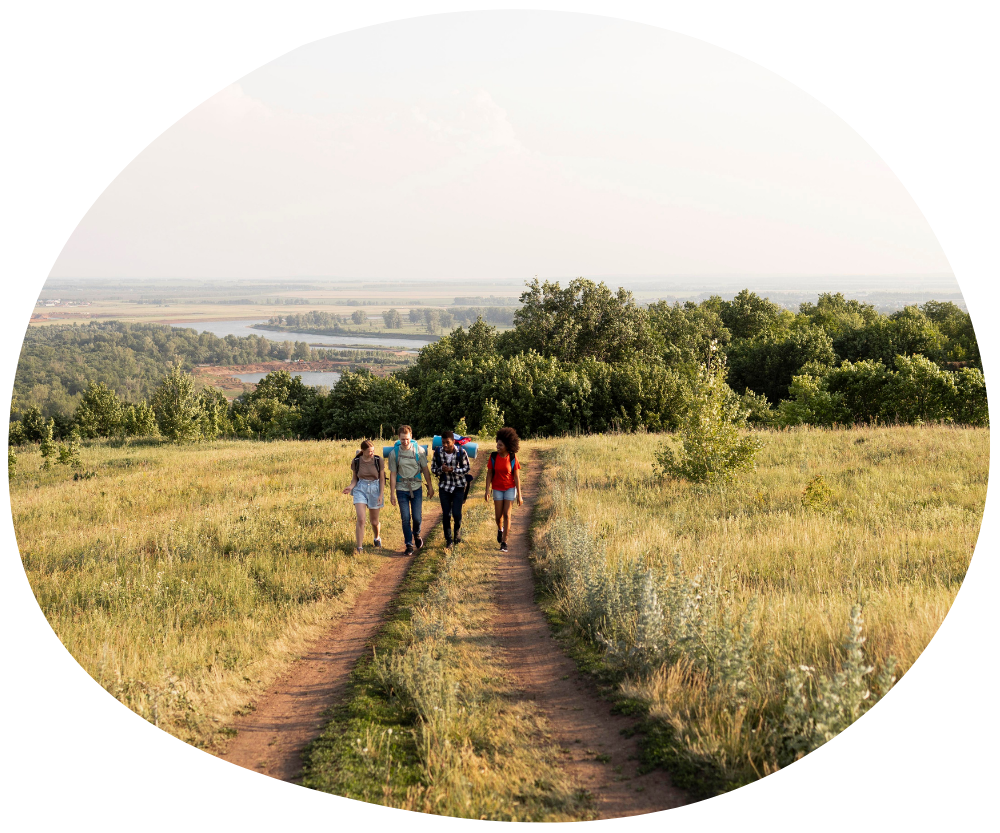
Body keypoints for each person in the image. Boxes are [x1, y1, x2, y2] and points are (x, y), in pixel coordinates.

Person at [387, 424, 434, 555]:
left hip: (417, 487)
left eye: (407, 439)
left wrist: (430, 487)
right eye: (402, 439)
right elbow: (392, 474)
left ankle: (417, 534)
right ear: (398, 438)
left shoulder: (419, 451)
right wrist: (392, 494)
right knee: (405, 518)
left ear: (411, 437)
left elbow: (425, 469)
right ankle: (408, 544)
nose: (405, 442)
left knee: (417, 518)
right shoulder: (394, 454)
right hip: (401, 489)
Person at [483, 426, 522, 553]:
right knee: (498, 517)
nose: (497, 447)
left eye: (500, 445)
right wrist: (487, 490)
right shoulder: (493, 457)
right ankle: (500, 530)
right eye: (497, 444)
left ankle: (504, 542)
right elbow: (489, 474)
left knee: (507, 515)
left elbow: (516, 477)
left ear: (507, 445)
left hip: (510, 488)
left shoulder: (512, 458)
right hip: (497, 488)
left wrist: (520, 495)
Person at [342, 439, 384, 554]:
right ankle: (359, 548)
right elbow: (355, 479)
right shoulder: (356, 461)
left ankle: (377, 537)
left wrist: (381, 494)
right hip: (360, 488)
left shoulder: (378, 460)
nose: (372, 453)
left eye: (373, 451)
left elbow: (382, 479)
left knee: (374, 521)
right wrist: (350, 487)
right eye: (370, 451)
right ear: (363, 451)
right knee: (361, 519)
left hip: (375, 488)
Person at [431, 430, 471, 547]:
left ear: (453, 442)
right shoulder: (438, 452)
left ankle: (457, 532)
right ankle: (449, 540)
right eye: (443, 442)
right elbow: (433, 468)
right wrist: (441, 470)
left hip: (459, 486)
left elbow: (466, 469)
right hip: (444, 487)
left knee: (457, 513)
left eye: (447, 442)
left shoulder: (461, 452)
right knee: (446, 514)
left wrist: (453, 470)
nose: (445, 445)